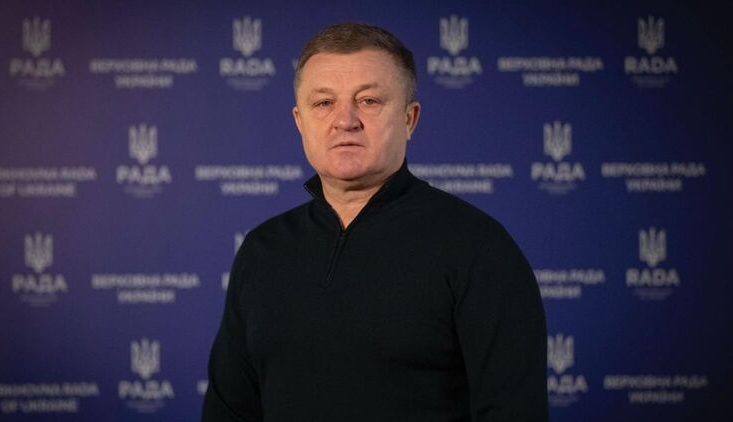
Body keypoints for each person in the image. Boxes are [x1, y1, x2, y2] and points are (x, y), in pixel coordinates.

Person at [203, 23, 547, 421]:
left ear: (409, 119)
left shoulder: (477, 247)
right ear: (300, 121)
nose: (345, 120)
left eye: (368, 101)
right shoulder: (262, 250)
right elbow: (228, 412)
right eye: (323, 103)